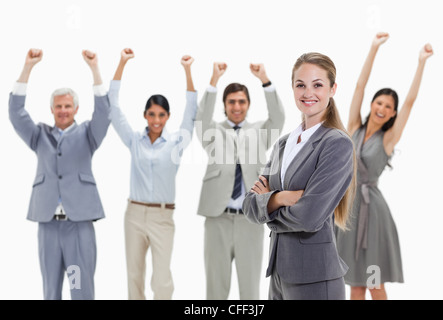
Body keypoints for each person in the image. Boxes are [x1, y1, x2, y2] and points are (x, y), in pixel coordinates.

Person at [243, 52, 356, 300]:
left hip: (314, 278)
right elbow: (249, 205)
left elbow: (309, 217)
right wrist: (283, 197)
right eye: (300, 85)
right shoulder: (284, 143)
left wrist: (268, 206)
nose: (308, 93)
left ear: (332, 89)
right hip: (279, 275)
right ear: (292, 88)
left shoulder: (336, 143)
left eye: (318, 85)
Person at [334, 33, 434, 300]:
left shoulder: (389, 139)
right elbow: (358, 86)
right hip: (348, 212)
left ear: (392, 114)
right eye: (379, 102)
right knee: (355, 283)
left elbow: (411, 102)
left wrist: (421, 62)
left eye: (388, 106)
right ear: (372, 105)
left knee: (374, 282)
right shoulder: (354, 126)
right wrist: (374, 48)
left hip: (373, 216)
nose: (382, 108)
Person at [9, 49, 110, 300]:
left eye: (67, 106)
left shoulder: (89, 134)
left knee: (79, 288)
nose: (63, 110)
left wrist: (95, 69)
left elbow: (103, 114)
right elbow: (15, 113)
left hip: (77, 227)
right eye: (58, 107)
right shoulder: (39, 135)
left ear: (76, 109)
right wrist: (27, 68)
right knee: (50, 291)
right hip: (48, 226)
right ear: (52, 110)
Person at [107, 48, 198, 300]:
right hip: (134, 214)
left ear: (168, 116)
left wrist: (187, 70)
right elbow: (113, 108)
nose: (156, 119)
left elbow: (191, 113)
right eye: (151, 114)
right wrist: (122, 62)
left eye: (161, 114)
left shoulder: (176, 143)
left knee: (162, 281)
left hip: (162, 216)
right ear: (145, 115)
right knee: (134, 277)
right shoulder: (134, 141)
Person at [195, 62, 285, 300]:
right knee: (216, 288)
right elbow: (201, 116)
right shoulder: (211, 131)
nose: (236, 106)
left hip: (250, 220)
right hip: (217, 219)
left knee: (250, 289)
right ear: (224, 105)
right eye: (231, 101)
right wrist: (214, 80)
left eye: (241, 101)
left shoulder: (260, 132)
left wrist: (264, 79)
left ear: (248, 104)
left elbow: (278, 117)